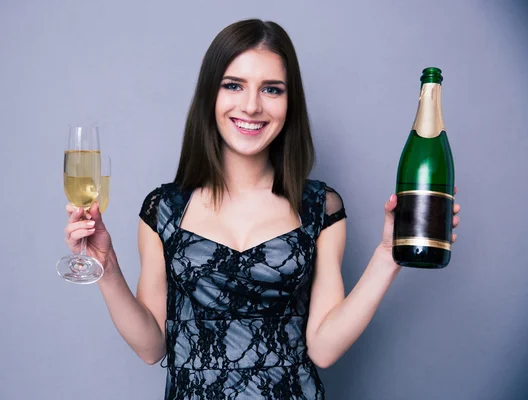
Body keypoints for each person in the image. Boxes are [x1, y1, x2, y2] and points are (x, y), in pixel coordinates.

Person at [63, 19, 461, 400]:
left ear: (290, 103)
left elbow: (323, 348)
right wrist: (107, 267)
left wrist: (387, 257)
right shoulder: (164, 208)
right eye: (234, 85)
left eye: (272, 89)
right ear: (210, 96)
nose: (252, 106)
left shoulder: (321, 208)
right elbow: (152, 348)